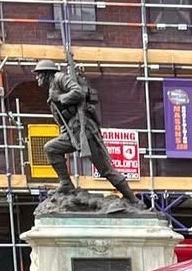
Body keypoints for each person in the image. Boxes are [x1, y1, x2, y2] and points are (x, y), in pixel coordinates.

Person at [33, 60, 139, 203]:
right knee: (51, 148)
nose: (37, 78)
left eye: (39, 74)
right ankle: (66, 183)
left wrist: (59, 98)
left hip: (84, 130)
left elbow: (78, 92)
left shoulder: (59, 78)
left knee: (105, 170)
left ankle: (133, 199)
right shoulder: (53, 86)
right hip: (72, 132)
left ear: (46, 74)